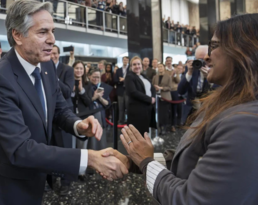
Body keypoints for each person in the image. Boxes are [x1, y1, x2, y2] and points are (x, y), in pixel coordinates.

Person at [0, 0, 126, 205]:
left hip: (38, 172)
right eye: (43, 32)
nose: (52, 40)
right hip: (10, 181)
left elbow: (58, 108)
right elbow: (20, 149)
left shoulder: (46, 67)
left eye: (53, 31)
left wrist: (77, 125)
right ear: (17, 35)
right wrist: (88, 158)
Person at [104, 13, 258, 205]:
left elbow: (188, 199)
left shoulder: (243, 122)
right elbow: (192, 160)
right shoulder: (231, 104)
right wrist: (135, 161)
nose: (207, 58)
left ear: (242, 51)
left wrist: (146, 161)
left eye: (214, 46)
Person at [50, 45, 75, 195]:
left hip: (63, 115)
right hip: (48, 118)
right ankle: (51, 180)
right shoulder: (41, 68)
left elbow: (67, 91)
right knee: (51, 149)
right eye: (50, 53)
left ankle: (66, 182)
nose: (52, 56)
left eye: (54, 53)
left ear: (58, 55)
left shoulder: (67, 70)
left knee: (66, 150)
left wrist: (53, 76)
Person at [178, 45, 211, 122]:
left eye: (204, 59)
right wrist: (189, 72)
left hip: (208, 108)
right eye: (198, 59)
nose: (201, 62)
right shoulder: (192, 67)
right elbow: (180, 90)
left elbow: (218, 89)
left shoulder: (215, 68)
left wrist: (210, 77)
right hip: (192, 110)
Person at [124, 56, 156, 135]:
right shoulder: (129, 77)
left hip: (147, 108)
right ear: (131, 66)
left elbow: (152, 88)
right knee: (138, 134)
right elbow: (133, 92)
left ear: (141, 65)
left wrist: (153, 97)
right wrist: (149, 99)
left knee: (145, 132)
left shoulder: (144, 76)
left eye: (138, 64)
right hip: (137, 110)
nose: (137, 66)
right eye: (134, 64)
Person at [152, 63, 172, 134]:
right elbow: (152, 86)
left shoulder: (168, 76)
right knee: (159, 113)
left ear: (164, 68)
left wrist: (161, 88)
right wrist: (155, 88)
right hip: (157, 98)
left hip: (165, 97)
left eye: (161, 67)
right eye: (159, 67)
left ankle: (164, 127)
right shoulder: (155, 77)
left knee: (165, 113)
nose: (160, 68)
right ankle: (159, 127)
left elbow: (170, 87)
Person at [114, 56, 129, 124]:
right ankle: (120, 121)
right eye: (124, 60)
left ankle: (129, 121)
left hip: (128, 91)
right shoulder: (118, 70)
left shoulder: (130, 70)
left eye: (126, 60)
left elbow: (132, 79)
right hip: (120, 91)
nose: (125, 61)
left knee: (128, 107)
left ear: (128, 61)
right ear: (122, 61)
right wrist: (120, 81)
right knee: (121, 108)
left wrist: (124, 80)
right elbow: (115, 80)